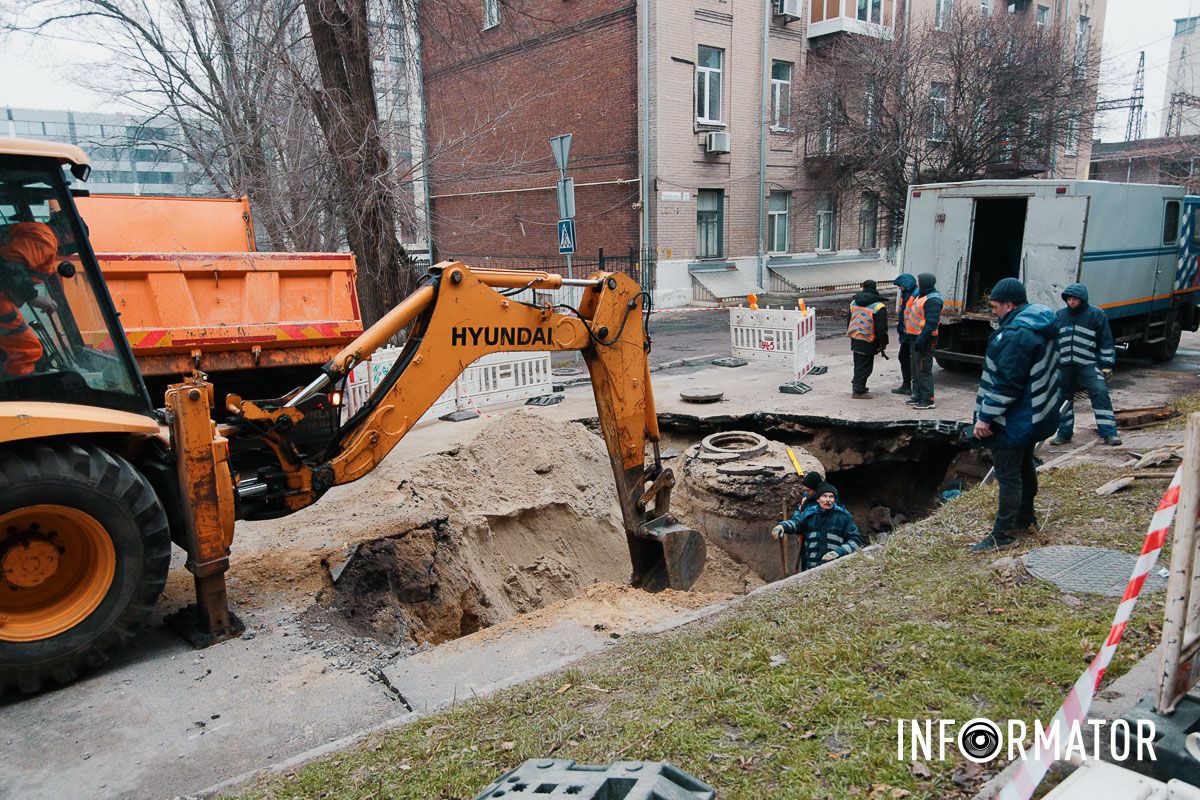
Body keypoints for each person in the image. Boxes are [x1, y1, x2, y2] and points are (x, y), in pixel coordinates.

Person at [970, 278, 1062, 552]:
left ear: (1009, 305)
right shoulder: (1039, 322)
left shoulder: (1017, 335)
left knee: (1008, 474)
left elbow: (1006, 383)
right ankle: (1025, 518)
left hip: (1014, 419)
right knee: (1024, 466)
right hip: (1035, 415)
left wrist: (985, 417)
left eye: (996, 307)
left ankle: (1003, 533)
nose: (993, 312)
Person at [1052, 283, 1121, 447]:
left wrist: (1107, 365)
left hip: (1088, 363)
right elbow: (1053, 341)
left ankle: (1109, 433)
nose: (1071, 302)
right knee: (1062, 398)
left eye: (1075, 299)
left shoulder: (1097, 315)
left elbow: (1106, 342)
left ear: (1082, 300)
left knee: (1100, 392)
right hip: (1064, 365)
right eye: (1069, 299)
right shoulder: (1059, 315)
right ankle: (1064, 434)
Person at [0, 222, 60, 377]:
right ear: (70, 232)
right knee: (26, 351)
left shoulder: (36, 232)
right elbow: (10, 260)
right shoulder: (45, 239)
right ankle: (22, 391)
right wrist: (32, 297)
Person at [771, 483, 863, 571]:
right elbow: (797, 523)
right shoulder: (810, 514)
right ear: (818, 499)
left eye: (831, 497)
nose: (828, 500)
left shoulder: (843, 517)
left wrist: (838, 552)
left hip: (835, 569)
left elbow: (856, 541)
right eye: (824, 496)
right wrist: (782, 526)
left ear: (834, 499)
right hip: (811, 569)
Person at [905, 272, 942, 410]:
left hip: (925, 339)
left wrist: (921, 339)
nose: (918, 284)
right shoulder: (922, 296)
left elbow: (931, 323)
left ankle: (927, 399)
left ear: (925, 283)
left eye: (920, 282)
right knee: (916, 369)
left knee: (923, 369)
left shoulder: (933, 300)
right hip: (916, 337)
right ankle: (918, 396)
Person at [847, 279, 889, 398]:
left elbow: (849, 321)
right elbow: (881, 328)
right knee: (865, 366)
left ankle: (858, 386)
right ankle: (858, 390)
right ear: (875, 288)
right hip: (869, 339)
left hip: (856, 336)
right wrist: (883, 343)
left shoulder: (854, 302)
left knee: (858, 364)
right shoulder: (879, 306)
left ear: (863, 287)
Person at [893, 273, 918, 395]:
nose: (900, 288)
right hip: (907, 333)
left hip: (912, 333)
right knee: (904, 357)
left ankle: (911, 387)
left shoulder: (914, 296)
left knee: (909, 359)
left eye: (900, 286)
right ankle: (907, 385)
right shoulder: (908, 295)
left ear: (906, 285)